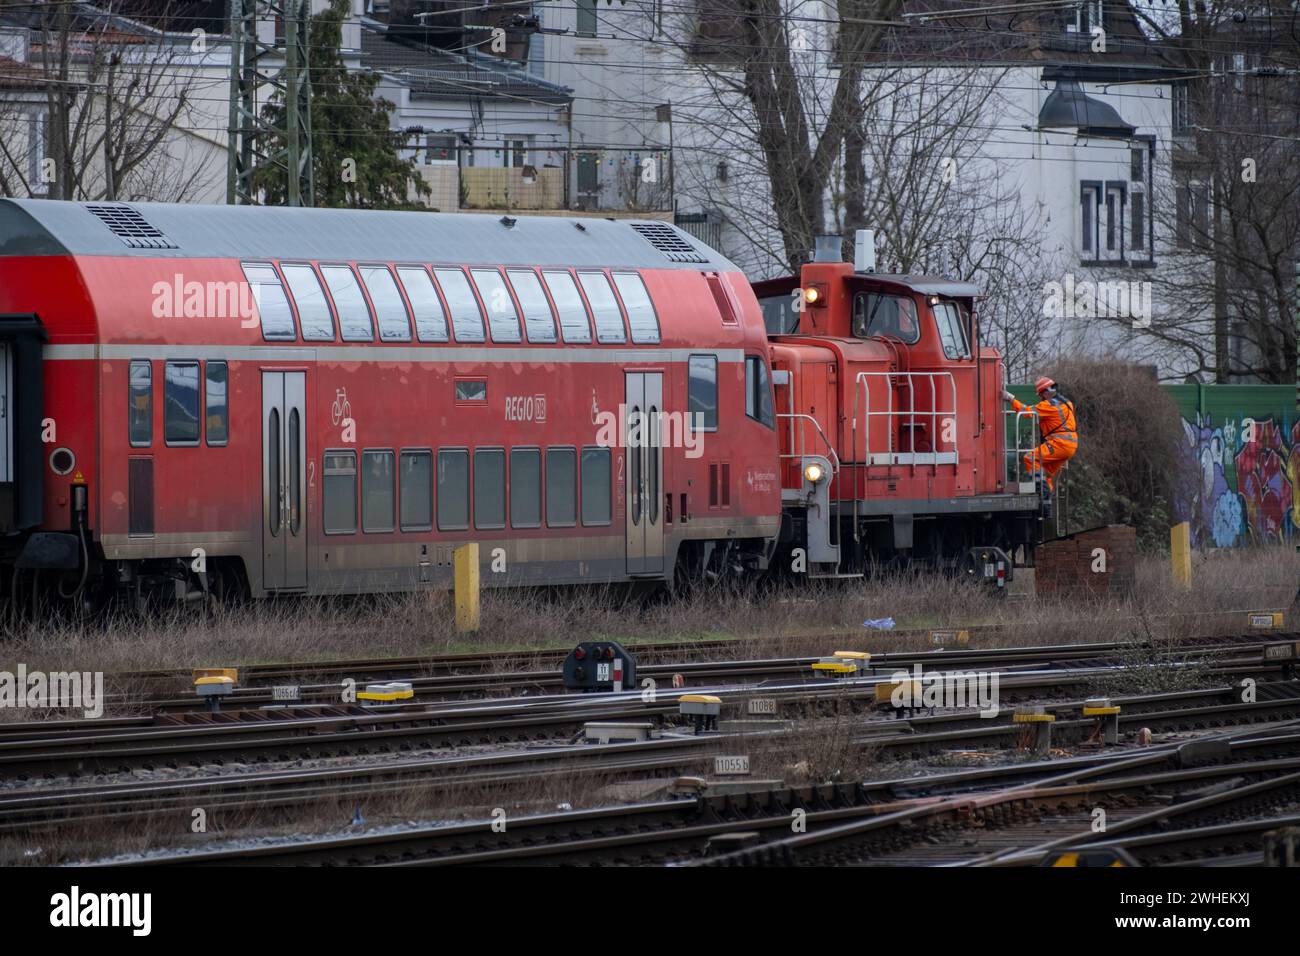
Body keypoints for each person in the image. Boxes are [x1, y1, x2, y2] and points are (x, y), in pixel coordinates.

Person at [1003, 377, 1078, 494]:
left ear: (1046, 392)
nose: (1040, 398)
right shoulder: (1068, 403)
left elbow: (1027, 412)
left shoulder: (1048, 406)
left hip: (1059, 444)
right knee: (1046, 475)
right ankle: (1046, 502)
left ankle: (1040, 493)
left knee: (1030, 458)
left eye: (1041, 395)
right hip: (1071, 446)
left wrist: (1011, 399)